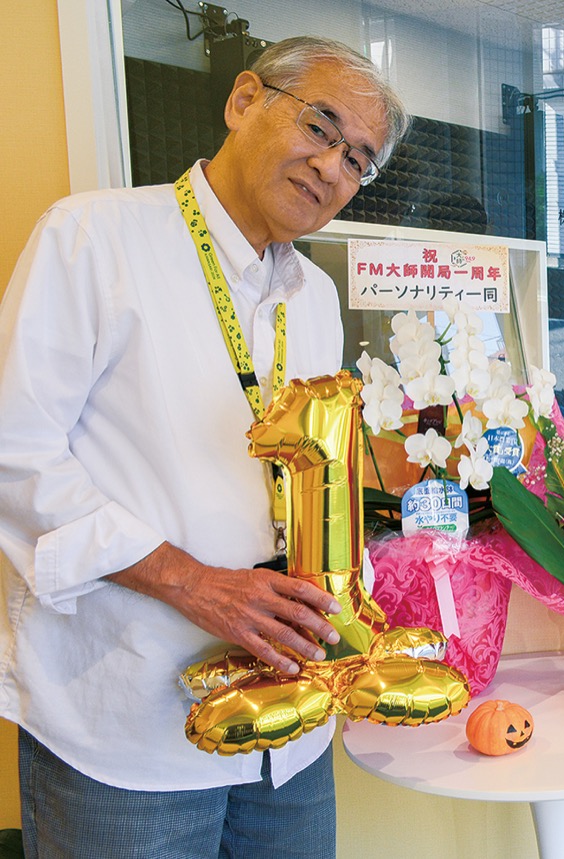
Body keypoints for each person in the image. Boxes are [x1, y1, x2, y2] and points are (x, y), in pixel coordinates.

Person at [0, 36, 407, 857]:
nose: (333, 167)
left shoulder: (316, 296)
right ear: (245, 99)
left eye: (359, 159)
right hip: (126, 732)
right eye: (320, 126)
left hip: (290, 736)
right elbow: (15, 453)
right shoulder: (94, 239)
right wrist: (193, 582)